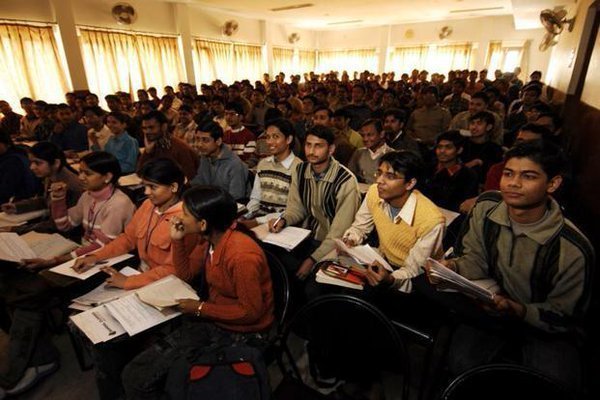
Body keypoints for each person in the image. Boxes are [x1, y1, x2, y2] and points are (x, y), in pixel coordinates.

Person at [424, 140, 594, 391]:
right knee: (461, 362)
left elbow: (564, 316)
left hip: (545, 328)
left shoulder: (572, 248)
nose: (513, 183)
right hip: (490, 307)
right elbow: (476, 260)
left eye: (528, 176)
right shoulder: (486, 207)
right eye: (508, 173)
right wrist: (451, 268)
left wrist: (518, 309)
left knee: (555, 384)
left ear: (553, 184)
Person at [120, 185, 274, 399]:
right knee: (136, 374)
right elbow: (184, 275)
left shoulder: (240, 255)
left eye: (185, 214)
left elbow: (251, 312)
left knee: (146, 379)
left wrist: (200, 308)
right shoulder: (211, 239)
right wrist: (177, 240)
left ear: (203, 224)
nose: (180, 218)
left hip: (243, 331)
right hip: (216, 318)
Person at [72, 158, 194, 290]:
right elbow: (128, 238)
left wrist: (130, 282)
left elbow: (175, 269)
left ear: (174, 187)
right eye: (145, 186)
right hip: (141, 274)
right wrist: (96, 256)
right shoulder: (148, 205)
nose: (146, 192)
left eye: (153, 187)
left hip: (164, 284)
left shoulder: (186, 218)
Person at [342, 151, 445, 293]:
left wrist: (389, 279)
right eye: (379, 173)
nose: (379, 181)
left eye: (390, 176)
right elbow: (359, 227)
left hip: (419, 280)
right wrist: (351, 239)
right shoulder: (374, 192)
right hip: (385, 262)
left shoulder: (432, 220)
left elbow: (412, 271)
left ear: (410, 183)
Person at [269, 125, 361, 279]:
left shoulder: (346, 180)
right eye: (308, 145)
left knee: (311, 284)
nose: (311, 151)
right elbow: (296, 209)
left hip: (334, 245)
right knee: (274, 262)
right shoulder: (300, 170)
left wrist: (313, 260)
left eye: (318, 146)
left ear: (331, 149)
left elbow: (338, 233)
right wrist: (283, 220)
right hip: (307, 236)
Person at [20, 152, 135, 270]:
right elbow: (64, 225)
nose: (80, 177)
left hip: (108, 257)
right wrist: (59, 198)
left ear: (107, 177)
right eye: (80, 171)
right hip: (87, 251)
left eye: (87, 173)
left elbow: (103, 245)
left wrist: (56, 260)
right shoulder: (87, 195)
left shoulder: (118, 204)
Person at [240, 118, 302, 227]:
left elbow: (293, 210)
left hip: (283, 224)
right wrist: (245, 216)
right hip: (259, 221)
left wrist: (257, 222)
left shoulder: (299, 167)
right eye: (268, 137)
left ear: (288, 139)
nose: (269, 142)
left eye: (275, 137)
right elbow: (256, 198)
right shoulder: (263, 164)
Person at [1, 142, 82, 219]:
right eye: (31, 162)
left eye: (37, 163)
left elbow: (61, 223)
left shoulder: (71, 186)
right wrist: (17, 206)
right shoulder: (51, 176)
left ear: (56, 163)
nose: (31, 167)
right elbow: (46, 200)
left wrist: (17, 229)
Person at [190, 121, 249, 201]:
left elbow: (236, 197)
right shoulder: (205, 157)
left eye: (205, 140)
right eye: (197, 139)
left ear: (218, 141)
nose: (199, 144)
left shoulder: (235, 164)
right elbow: (198, 183)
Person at [422, 130, 479, 212]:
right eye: (439, 147)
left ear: (459, 150)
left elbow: (466, 205)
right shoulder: (427, 170)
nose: (442, 151)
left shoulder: (468, 175)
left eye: (448, 147)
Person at [136, 111, 199, 181]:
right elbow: (140, 173)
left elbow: (190, 179)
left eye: (151, 127)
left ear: (164, 127)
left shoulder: (180, 148)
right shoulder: (153, 145)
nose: (147, 132)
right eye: (144, 128)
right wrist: (147, 152)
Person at [348, 118, 394, 184]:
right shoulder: (358, 153)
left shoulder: (392, 155)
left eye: (370, 135)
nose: (365, 139)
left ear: (381, 134)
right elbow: (350, 176)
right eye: (363, 135)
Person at [0, 128, 37, 204]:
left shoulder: (13, 161)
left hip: (17, 203)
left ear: (6, 143)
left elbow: (5, 192)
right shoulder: (8, 155)